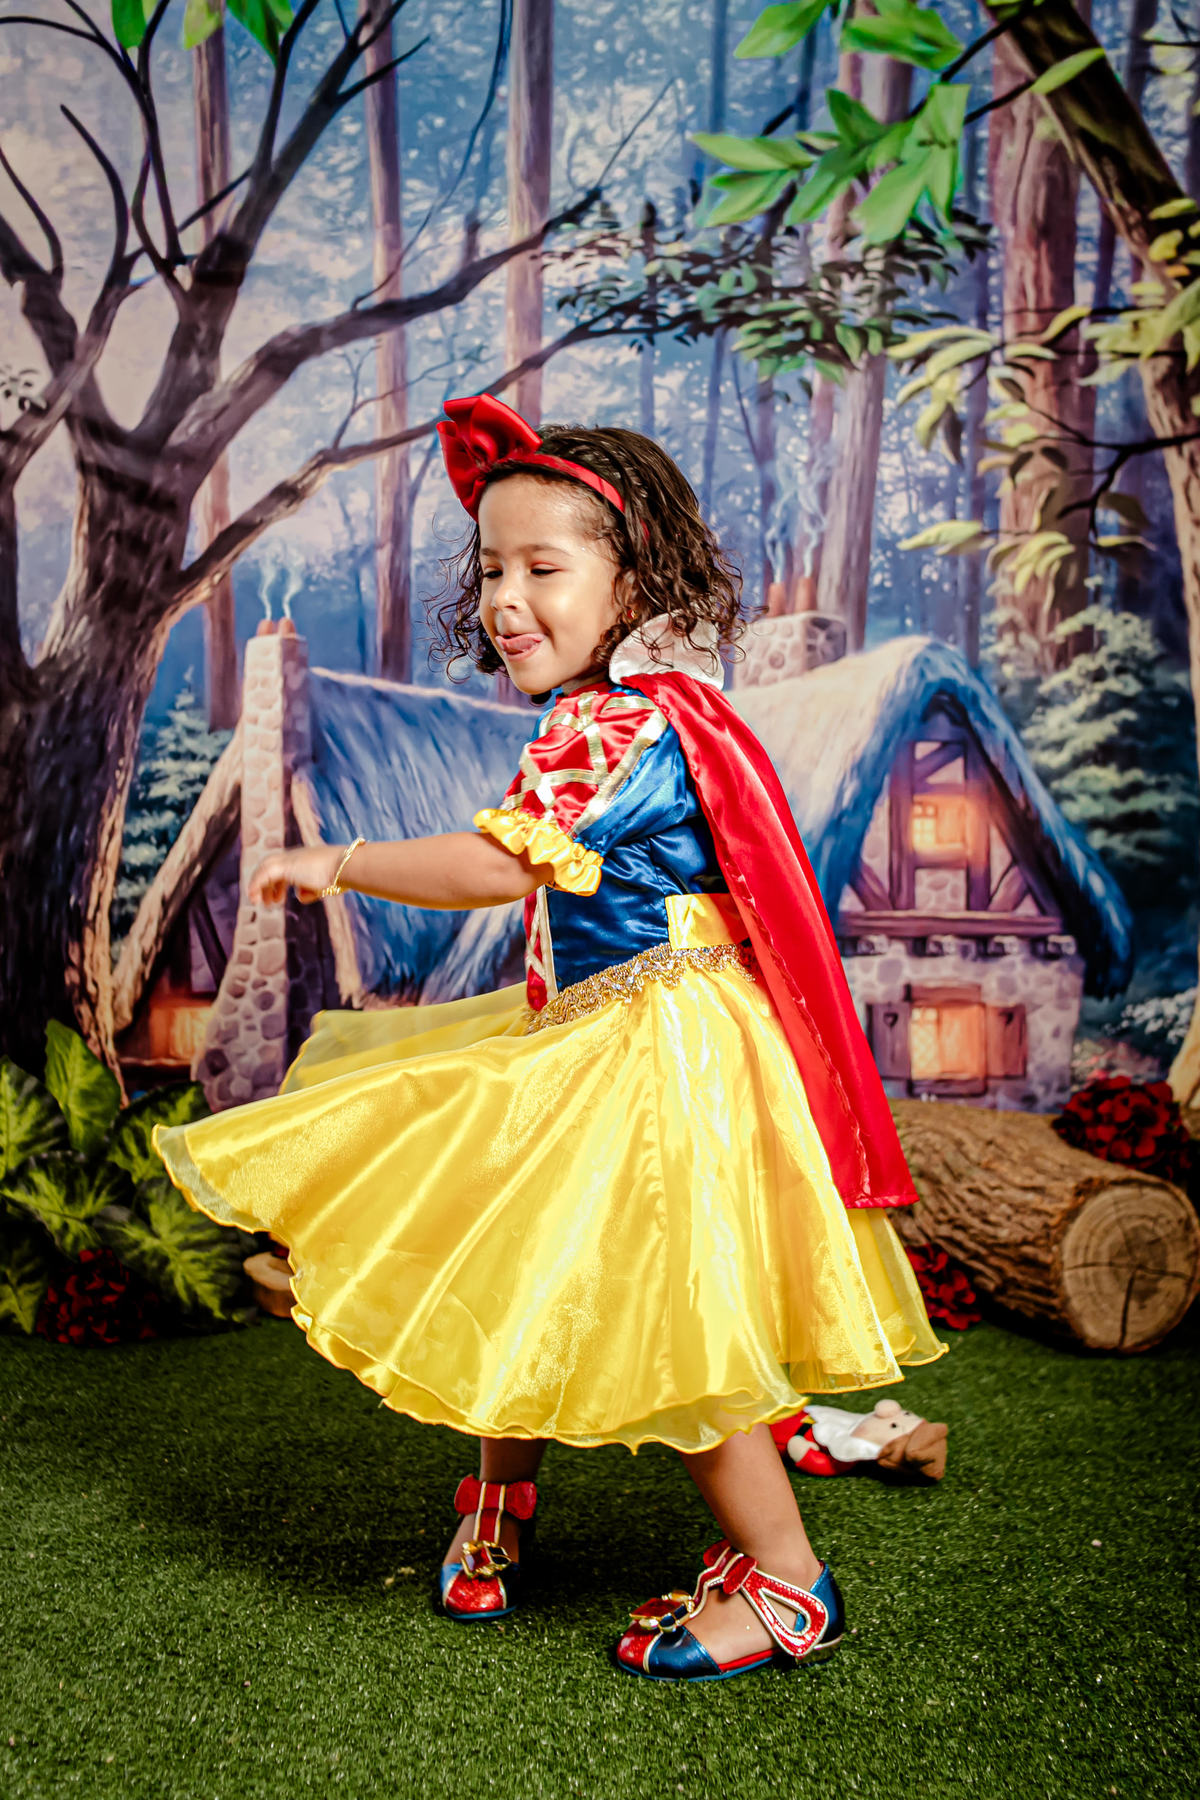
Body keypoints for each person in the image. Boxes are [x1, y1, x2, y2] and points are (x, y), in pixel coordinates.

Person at [154, 393, 944, 1684]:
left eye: (543, 568)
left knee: (674, 1309)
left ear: (631, 582)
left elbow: (490, 865)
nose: (508, 599)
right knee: (510, 1249)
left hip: (650, 1049)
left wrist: (334, 858)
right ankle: (507, 1498)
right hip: (615, 1022)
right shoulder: (639, 713)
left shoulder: (613, 728)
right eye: (491, 571)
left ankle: (795, 1583)